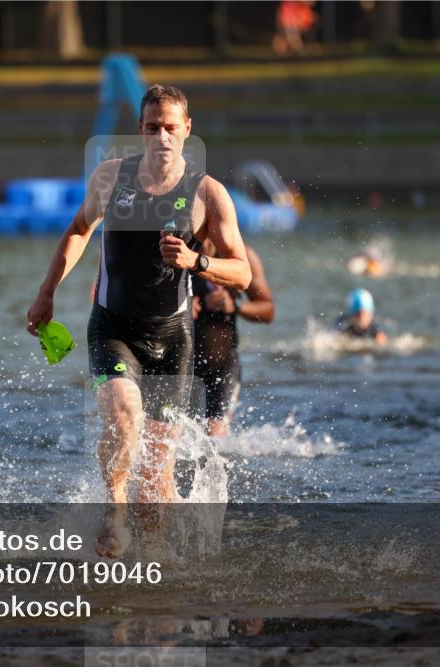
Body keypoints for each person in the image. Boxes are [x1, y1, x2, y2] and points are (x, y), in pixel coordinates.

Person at [26, 84, 251, 558]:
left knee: (156, 470)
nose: (163, 137)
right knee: (125, 419)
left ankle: (154, 567)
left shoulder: (208, 194)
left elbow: (243, 273)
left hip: (173, 338)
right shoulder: (112, 178)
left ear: (188, 130)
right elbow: (78, 231)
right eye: (153, 128)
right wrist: (47, 293)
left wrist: (196, 262)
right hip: (114, 328)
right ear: (141, 131)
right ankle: (114, 516)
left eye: (172, 127)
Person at [191, 240, 274, 437]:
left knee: (214, 438)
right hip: (179, 363)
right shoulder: (176, 251)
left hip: (222, 364)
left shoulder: (241, 256)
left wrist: (234, 305)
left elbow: (268, 310)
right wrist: (178, 308)